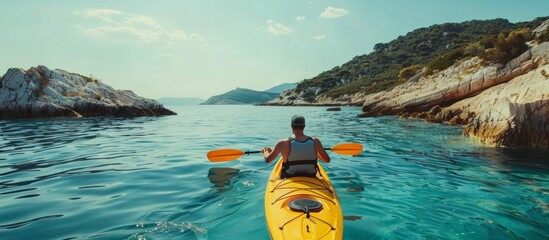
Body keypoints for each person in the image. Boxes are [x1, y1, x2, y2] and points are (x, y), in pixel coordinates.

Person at [261, 115, 331, 178]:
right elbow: (327, 160)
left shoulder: (282, 143)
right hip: (311, 175)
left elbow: (268, 160)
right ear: (304, 126)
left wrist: (265, 151)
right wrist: (316, 154)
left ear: (291, 127)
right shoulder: (316, 141)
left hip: (290, 176)